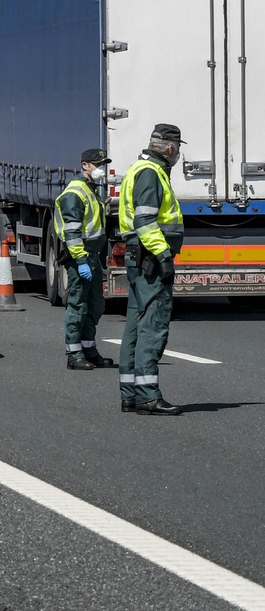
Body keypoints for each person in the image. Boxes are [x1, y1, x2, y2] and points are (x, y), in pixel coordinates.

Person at [118, 123, 185, 415]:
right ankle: (148, 395)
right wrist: (163, 256)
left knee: (135, 324)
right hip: (150, 258)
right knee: (152, 326)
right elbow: (146, 221)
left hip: (139, 257)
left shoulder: (140, 169)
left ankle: (131, 393)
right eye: (178, 148)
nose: (179, 154)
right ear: (170, 148)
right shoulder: (150, 173)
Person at [53, 148, 116, 370]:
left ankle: (89, 350)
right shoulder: (75, 192)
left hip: (92, 256)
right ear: (85, 165)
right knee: (78, 305)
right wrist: (79, 261)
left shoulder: (91, 189)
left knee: (95, 305)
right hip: (80, 257)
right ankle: (74, 354)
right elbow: (71, 233)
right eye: (97, 164)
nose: (101, 169)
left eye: (102, 164)